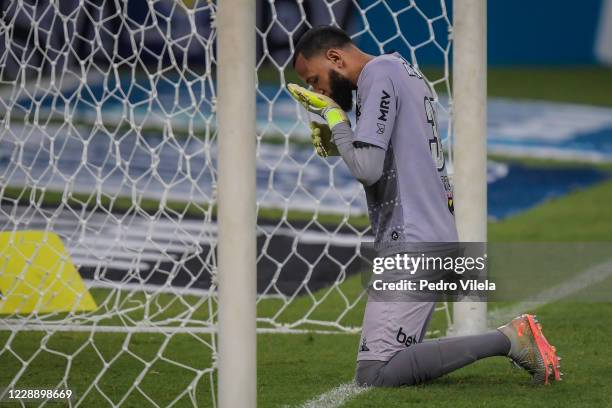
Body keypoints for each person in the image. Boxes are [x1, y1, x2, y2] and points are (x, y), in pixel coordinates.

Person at [286, 25, 561, 387]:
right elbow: (395, 153)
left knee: (376, 372)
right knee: (399, 362)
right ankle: (509, 338)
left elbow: (368, 170)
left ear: (335, 57)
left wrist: (337, 120)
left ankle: (510, 338)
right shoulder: (399, 69)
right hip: (428, 231)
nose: (316, 91)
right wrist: (341, 139)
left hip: (412, 238)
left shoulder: (378, 75)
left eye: (314, 79)